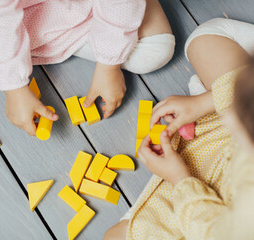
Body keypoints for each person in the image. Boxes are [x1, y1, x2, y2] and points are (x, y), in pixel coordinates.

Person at [0, 0, 175, 144]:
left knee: (156, 50)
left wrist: (109, 63)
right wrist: (13, 86)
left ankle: (85, 32)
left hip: (73, 8)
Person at [104, 18, 254, 240]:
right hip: (225, 149)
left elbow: (210, 231)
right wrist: (204, 102)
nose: (229, 117)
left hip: (205, 217)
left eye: (236, 118)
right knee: (204, 41)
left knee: (114, 237)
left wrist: (179, 178)